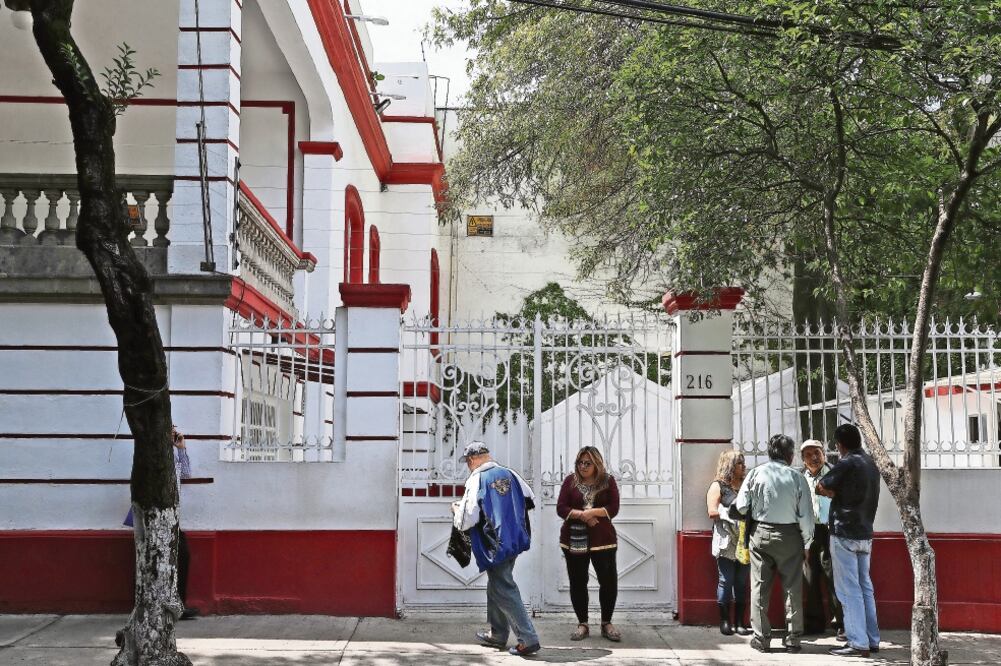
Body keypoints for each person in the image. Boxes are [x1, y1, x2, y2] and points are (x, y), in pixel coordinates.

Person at [452, 442, 540, 656]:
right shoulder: (509, 473)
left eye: (468, 462)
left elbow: (467, 519)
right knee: (496, 585)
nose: (468, 466)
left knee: (503, 587)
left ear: (472, 460)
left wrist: (456, 510)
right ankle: (498, 634)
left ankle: (528, 639)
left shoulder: (476, 479)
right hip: (515, 539)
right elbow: (530, 498)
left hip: (493, 543)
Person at [733, 434, 815, 654]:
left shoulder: (756, 473)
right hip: (789, 536)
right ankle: (793, 640)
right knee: (792, 588)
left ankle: (761, 638)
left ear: (769, 453)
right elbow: (806, 514)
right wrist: (807, 543)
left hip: (760, 534)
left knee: (759, 588)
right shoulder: (797, 478)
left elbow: (741, 506)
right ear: (790, 455)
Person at [817, 424, 881, 658]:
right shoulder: (870, 463)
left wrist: (832, 493)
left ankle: (857, 642)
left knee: (848, 589)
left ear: (839, 445)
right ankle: (872, 639)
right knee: (865, 587)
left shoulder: (847, 462)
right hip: (865, 532)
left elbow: (821, 485)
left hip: (844, 531)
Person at [556, 446, 622, 642]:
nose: (583, 466)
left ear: (597, 464)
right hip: (573, 540)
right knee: (578, 582)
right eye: (580, 462)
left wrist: (592, 513)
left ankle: (606, 623)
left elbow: (614, 507)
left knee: (608, 582)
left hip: (603, 541)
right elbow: (561, 508)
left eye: (587, 463)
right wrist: (582, 516)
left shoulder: (607, 481)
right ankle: (582, 623)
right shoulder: (570, 481)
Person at [798, 439, 844, 637]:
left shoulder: (835, 473)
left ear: (824, 453)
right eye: (808, 455)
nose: (813, 458)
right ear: (803, 460)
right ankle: (814, 623)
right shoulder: (799, 477)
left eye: (816, 453)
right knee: (810, 577)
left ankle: (840, 622)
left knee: (833, 576)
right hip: (808, 531)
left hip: (830, 529)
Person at [706, 450, 752, 637]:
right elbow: (711, 511)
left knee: (742, 582)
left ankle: (740, 622)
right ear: (730, 466)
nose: (744, 467)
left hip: (744, 540)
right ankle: (725, 622)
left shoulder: (746, 486)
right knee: (727, 580)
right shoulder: (718, 486)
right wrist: (728, 514)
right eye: (740, 463)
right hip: (726, 540)